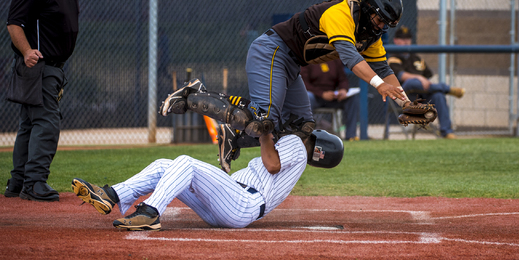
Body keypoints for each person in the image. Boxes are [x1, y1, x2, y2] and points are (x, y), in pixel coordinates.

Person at [170, 0, 410, 173]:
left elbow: (384, 71)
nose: (380, 27)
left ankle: (236, 135)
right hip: (272, 49)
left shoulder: (370, 35)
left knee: (301, 128)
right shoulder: (342, 14)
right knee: (263, 118)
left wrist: (406, 104)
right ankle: (192, 95)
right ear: (368, 8)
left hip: (291, 62)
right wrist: (378, 86)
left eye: (385, 24)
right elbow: (350, 58)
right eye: (380, 19)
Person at [73, 88, 344, 231]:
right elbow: (263, 149)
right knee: (165, 166)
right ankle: (111, 195)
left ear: (319, 146)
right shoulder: (294, 147)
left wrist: (265, 131)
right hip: (232, 203)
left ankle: (150, 213)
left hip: (243, 203)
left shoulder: (298, 145)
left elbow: (271, 163)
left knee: (186, 163)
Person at [4, 0, 80, 201]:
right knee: (47, 122)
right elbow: (14, 23)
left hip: (51, 68)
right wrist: (26, 52)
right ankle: (35, 183)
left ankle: (17, 182)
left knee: (30, 123)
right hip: (40, 66)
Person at [387, 26, 465, 139]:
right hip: (404, 97)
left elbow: (427, 77)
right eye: (402, 39)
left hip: (422, 96)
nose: (405, 42)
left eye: (408, 39)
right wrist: (420, 78)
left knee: (438, 95)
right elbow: (402, 76)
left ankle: (447, 131)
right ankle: (446, 88)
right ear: (395, 40)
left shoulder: (416, 58)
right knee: (411, 82)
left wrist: (422, 80)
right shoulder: (393, 58)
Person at [301, 60, 360, 140]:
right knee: (307, 97)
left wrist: (343, 90)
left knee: (351, 99)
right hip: (315, 97)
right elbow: (304, 83)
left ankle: (351, 136)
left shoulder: (334, 59)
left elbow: (343, 79)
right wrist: (322, 94)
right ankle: (305, 135)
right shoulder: (307, 60)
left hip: (332, 97)